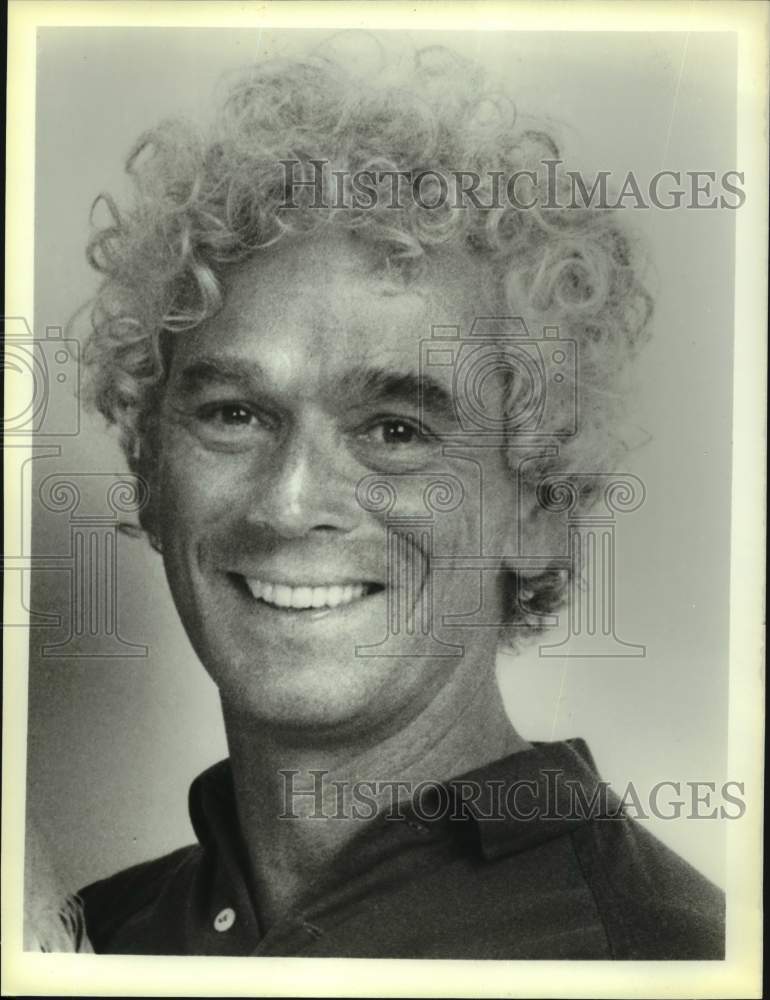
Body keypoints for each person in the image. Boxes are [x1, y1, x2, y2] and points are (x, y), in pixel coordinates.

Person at [76, 36, 723, 958]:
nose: (289, 503)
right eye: (235, 415)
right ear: (149, 472)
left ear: (538, 508)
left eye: (395, 430)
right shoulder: (87, 941)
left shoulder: (663, 958)